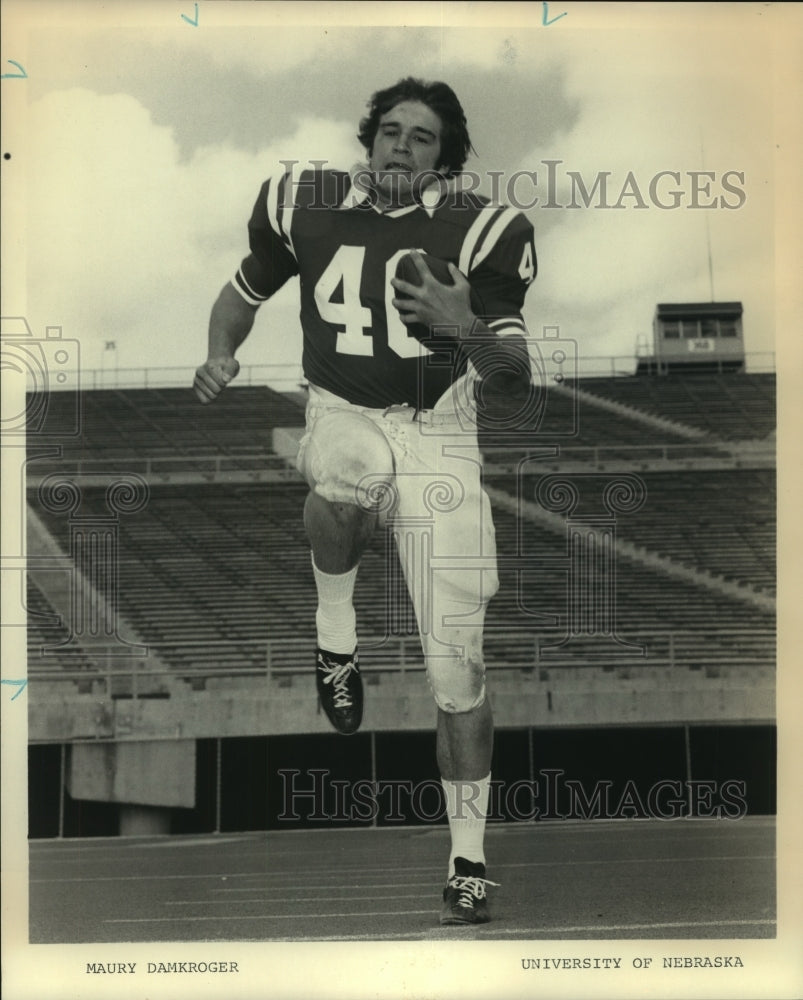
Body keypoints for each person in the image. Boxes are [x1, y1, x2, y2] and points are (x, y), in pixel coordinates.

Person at [194, 77, 536, 925]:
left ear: (443, 160)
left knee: (458, 672)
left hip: (442, 432)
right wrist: (219, 353)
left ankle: (467, 860)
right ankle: (335, 641)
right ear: (368, 138)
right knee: (342, 471)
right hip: (343, 407)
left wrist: (464, 328)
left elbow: (515, 380)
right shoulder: (299, 202)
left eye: (422, 138)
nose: (399, 145)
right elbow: (242, 293)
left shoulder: (486, 231)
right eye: (390, 130)